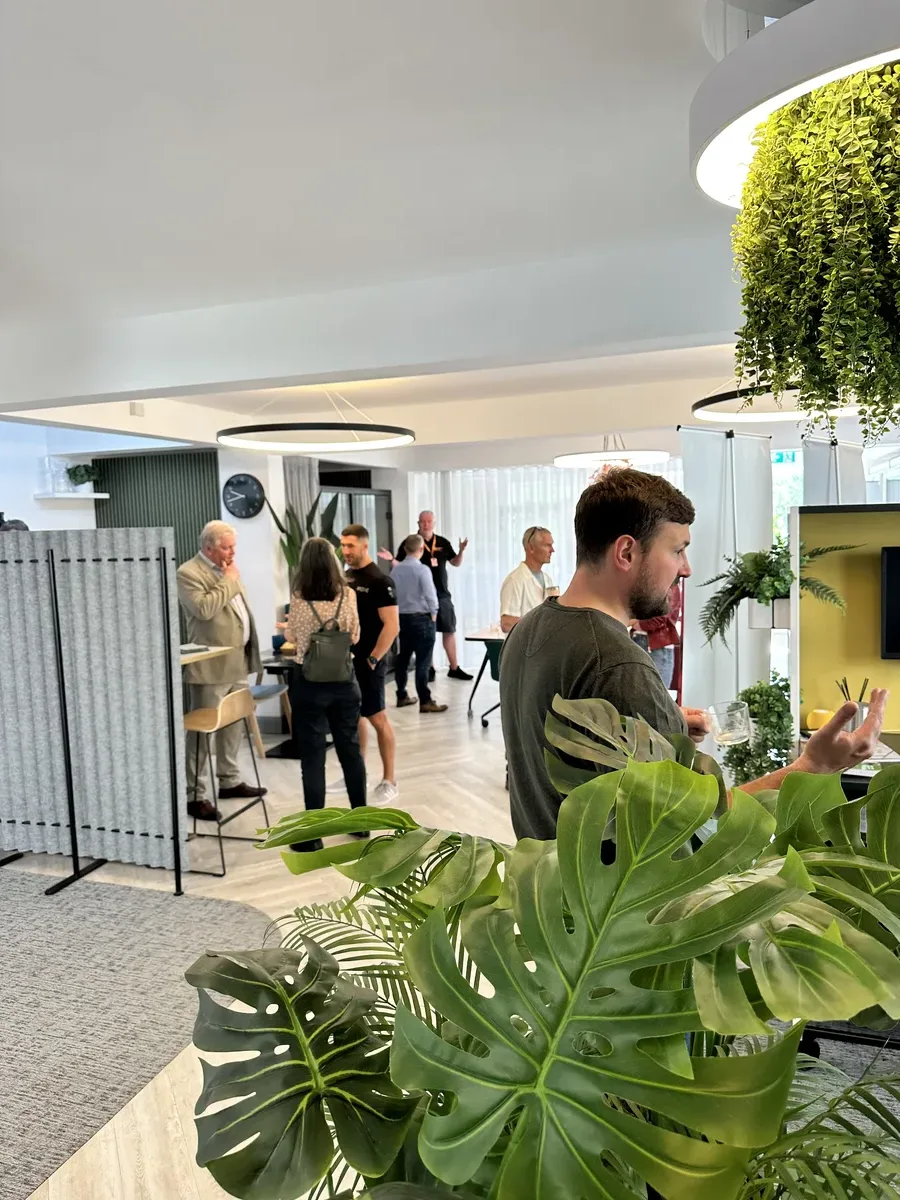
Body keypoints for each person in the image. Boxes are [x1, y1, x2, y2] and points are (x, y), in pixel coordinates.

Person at [500, 468, 887, 841]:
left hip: (552, 891)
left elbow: (573, 742)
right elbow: (700, 827)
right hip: (628, 905)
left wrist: (659, 723)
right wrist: (813, 766)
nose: (686, 569)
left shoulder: (527, 629)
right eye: (678, 550)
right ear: (626, 552)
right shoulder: (618, 662)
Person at [177, 521, 267, 822]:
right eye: (227, 547)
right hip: (210, 667)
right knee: (203, 733)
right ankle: (194, 794)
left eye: (233, 546)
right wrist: (228, 580)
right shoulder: (188, 573)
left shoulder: (227, 570)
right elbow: (203, 610)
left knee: (233, 726)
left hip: (237, 661)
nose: (232, 552)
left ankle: (229, 780)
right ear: (208, 548)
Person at [284, 537, 368, 853]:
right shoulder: (347, 594)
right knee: (350, 751)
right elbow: (356, 636)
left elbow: (291, 637)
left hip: (309, 684)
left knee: (313, 758)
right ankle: (361, 824)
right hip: (345, 683)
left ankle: (314, 834)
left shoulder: (298, 599)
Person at [341, 523, 401, 804]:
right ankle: (356, 772)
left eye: (351, 545)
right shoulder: (345, 578)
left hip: (372, 660)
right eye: (343, 546)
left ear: (365, 546)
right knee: (354, 716)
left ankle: (390, 780)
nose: (346, 551)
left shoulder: (380, 581)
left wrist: (374, 658)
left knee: (377, 718)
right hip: (348, 660)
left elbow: (392, 626)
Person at [381, 511, 472, 680]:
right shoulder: (411, 542)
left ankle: (454, 667)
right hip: (418, 599)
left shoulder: (442, 542)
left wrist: (461, 551)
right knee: (425, 635)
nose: (426, 524)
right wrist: (390, 559)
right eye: (423, 521)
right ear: (418, 523)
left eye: (429, 521)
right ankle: (429, 668)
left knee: (449, 630)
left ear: (434, 523)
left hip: (442, 595)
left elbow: (455, 563)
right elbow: (401, 566)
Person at [391, 534, 448, 713]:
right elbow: (431, 595)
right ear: (421, 549)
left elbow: (392, 594)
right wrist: (433, 614)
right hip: (421, 618)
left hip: (402, 618)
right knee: (423, 661)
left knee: (403, 658)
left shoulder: (395, 570)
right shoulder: (422, 570)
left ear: (405, 549)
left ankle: (401, 695)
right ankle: (425, 700)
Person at [499, 526, 559, 633]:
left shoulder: (548, 580)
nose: (552, 550)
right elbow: (506, 623)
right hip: (523, 648)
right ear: (531, 548)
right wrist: (540, 623)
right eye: (547, 545)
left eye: (552, 545)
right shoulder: (514, 580)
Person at [636, 580, 682, 689]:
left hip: (658, 645)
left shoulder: (670, 586)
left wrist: (636, 623)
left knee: (658, 694)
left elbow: (661, 618)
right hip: (642, 640)